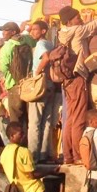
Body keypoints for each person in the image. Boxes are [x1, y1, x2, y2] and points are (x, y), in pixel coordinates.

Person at [57, 5, 97, 164]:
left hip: (68, 81)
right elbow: (91, 26)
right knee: (78, 120)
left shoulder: (62, 33)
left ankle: (67, 154)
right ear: (70, 21)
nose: (81, 19)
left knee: (70, 119)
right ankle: (78, 155)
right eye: (77, 17)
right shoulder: (76, 30)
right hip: (78, 79)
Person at [27, 20, 59, 163]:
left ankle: (33, 155)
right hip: (50, 85)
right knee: (46, 121)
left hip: (40, 86)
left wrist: (37, 74)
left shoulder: (40, 44)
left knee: (34, 123)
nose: (32, 32)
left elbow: (45, 59)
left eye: (35, 29)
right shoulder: (50, 44)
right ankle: (44, 154)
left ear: (43, 31)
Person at [0, 21, 36, 127]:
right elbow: (34, 43)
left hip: (14, 86)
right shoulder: (27, 40)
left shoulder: (7, 47)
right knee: (28, 119)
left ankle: (17, 143)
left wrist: (8, 77)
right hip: (29, 85)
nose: (3, 33)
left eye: (5, 30)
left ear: (13, 32)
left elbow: (3, 67)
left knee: (16, 120)